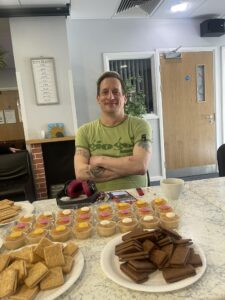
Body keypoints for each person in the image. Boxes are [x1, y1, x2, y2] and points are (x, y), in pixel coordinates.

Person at [74, 71, 152, 192]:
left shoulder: (140, 126)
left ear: (124, 98)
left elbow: (140, 166)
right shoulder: (84, 131)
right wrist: (126, 169)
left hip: (137, 200)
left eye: (116, 92)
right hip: (99, 201)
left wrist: (100, 160)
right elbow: (80, 173)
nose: (111, 97)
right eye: (105, 92)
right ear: (98, 99)